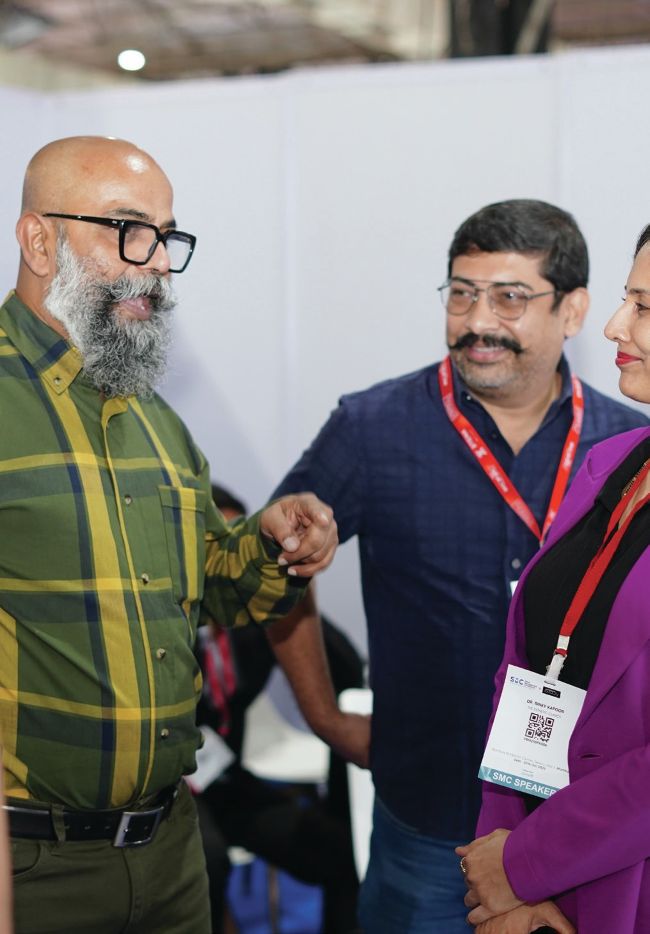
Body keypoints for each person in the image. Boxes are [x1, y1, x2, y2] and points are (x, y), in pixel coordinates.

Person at [271, 199, 649, 932]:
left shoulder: (617, 446)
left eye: (509, 298)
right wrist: (325, 717)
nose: (478, 321)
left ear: (571, 310)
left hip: (581, 839)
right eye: (461, 294)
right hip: (427, 816)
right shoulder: (373, 427)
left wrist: (536, 858)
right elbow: (278, 561)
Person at [0, 136, 342, 934]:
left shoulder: (154, 417)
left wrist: (270, 541)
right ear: (39, 240)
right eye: (128, 230)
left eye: (165, 235)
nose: (156, 262)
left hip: (172, 853)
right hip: (31, 868)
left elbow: (212, 588)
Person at [457, 224, 650, 933]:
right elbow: (529, 662)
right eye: (627, 299)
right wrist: (502, 869)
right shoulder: (612, 463)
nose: (614, 326)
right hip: (532, 872)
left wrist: (524, 864)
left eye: (644, 308)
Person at [193, 485, 363, 934]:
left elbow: (346, 667)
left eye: (237, 540)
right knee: (206, 863)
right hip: (172, 794)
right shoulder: (163, 623)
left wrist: (291, 590)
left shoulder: (252, 621)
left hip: (227, 784)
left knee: (340, 852)